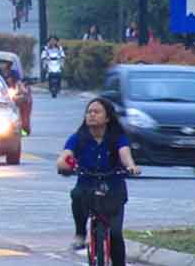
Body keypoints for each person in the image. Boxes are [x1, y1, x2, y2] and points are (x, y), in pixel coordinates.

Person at [56, 98, 141, 265]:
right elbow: (65, 156)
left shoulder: (117, 137)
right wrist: (64, 164)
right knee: (76, 194)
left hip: (114, 188)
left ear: (107, 117)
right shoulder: (78, 138)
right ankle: (81, 232)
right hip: (87, 186)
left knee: (116, 234)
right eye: (89, 112)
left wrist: (131, 166)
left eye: (97, 112)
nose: (92, 115)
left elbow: (125, 155)